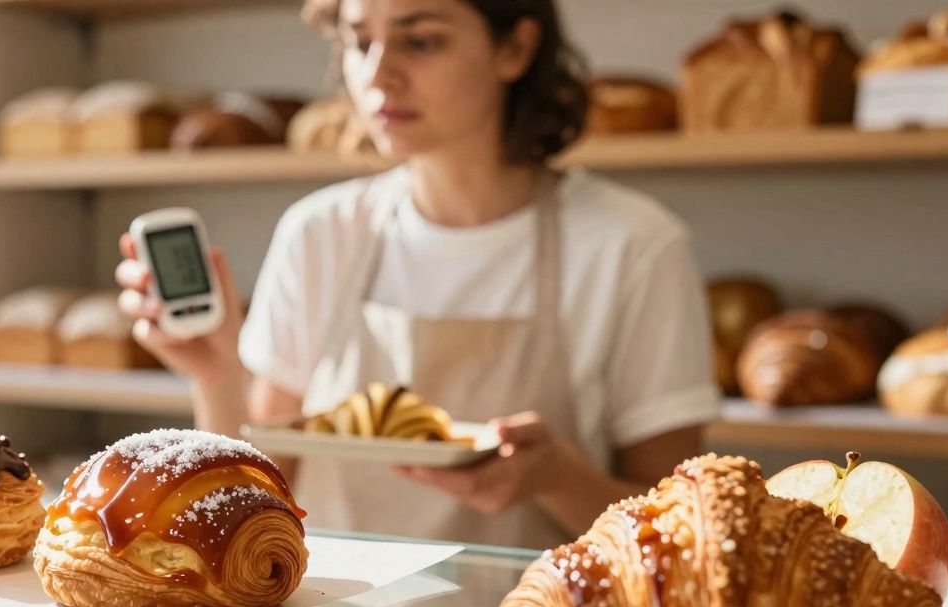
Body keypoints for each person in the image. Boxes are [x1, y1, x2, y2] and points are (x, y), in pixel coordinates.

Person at [116, 0, 720, 551]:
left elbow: (676, 534)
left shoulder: (635, 245)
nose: (377, 76)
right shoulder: (319, 233)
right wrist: (217, 375)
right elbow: (254, 504)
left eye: (421, 41)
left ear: (516, 48)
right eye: (360, 42)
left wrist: (556, 478)